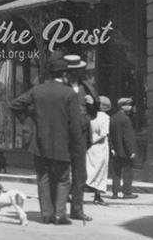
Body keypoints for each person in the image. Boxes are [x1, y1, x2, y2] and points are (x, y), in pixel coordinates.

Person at [10, 52, 84, 225]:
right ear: (64, 74)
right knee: (63, 180)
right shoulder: (69, 94)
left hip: (39, 144)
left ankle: (46, 215)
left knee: (43, 178)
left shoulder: (38, 90)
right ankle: (60, 215)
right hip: (62, 145)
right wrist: (77, 147)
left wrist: (30, 116)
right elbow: (75, 125)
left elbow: (15, 105)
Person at [65, 54, 96, 221]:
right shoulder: (62, 87)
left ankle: (77, 210)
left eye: (77, 71)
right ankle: (59, 208)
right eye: (72, 71)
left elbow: (94, 113)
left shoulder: (86, 87)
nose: (74, 74)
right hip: (64, 134)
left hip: (82, 135)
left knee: (80, 174)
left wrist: (91, 104)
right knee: (62, 173)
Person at [109, 97, 138, 199]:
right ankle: (127, 192)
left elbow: (110, 135)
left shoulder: (113, 118)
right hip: (125, 152)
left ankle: (115, 192)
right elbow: (127, 137)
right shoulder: (126, 119)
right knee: (127, 172)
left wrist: (112, 148)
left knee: (116, 173)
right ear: (122, 106)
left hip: (116, 151)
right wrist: (131, 151)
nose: (130, 107)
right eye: (128, 105)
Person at [85, 95, 111, 205]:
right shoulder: (105, 118)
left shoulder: (90, 117)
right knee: (100, 171)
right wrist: (94, 140)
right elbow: (104, 134)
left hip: (89, 147)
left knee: (88, 169)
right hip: (100, 147)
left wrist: (89, 141)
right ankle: (97, 195)